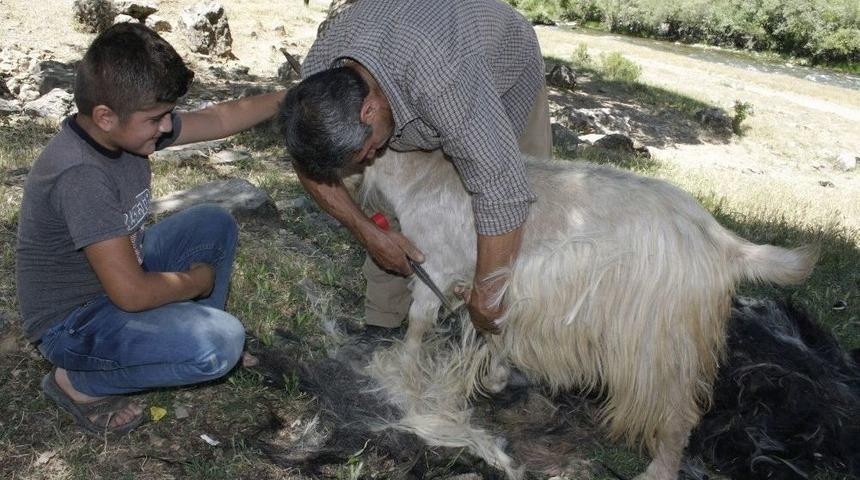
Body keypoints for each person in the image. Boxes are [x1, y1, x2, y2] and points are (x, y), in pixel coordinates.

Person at [15, 23, 284, 436]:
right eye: (157, 118)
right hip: (73, 324)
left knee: (212, 222)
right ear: (105, 116)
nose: (165, 127)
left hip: (117, 281)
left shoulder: (124, 131)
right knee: (220, 344)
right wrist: (195, 283)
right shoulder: (81, 174)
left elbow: (217, 118)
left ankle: (174, 336)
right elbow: (132, 293)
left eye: (167, 116)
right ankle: (77, 381)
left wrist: (286, 98)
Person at [279, 0, 551, 334]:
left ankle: (514, 343)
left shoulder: (443, 77)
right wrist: (368, 231)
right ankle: (384, 322)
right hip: (412, 76)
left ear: (368, 111)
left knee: (530, 213)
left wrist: (488, 294)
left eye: (363, 150)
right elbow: (308, 163)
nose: (366, 159)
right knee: (390, 192)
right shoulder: (322, 76)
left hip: (499, 71)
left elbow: (502, 189)